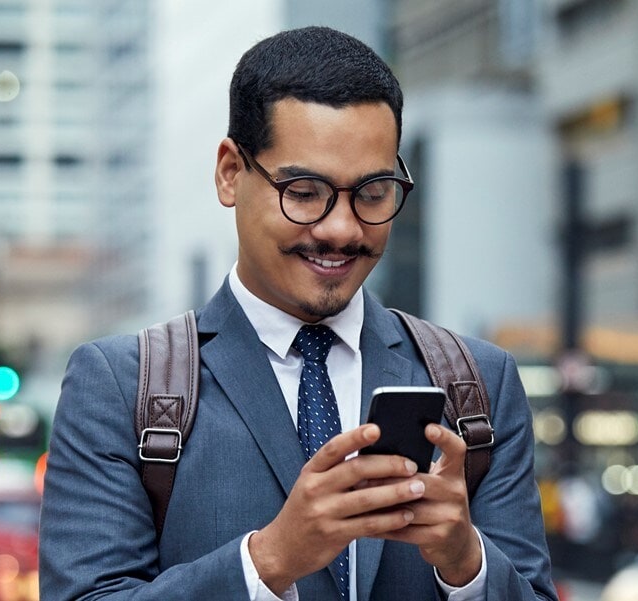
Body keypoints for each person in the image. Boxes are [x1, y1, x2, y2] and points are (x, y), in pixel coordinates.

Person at [38, 26, 557, 600]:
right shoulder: (120, 385)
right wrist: (269, 561)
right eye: (305, 191)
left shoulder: (479, 383)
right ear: (231, 172)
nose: (341, 229)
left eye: (373, 192)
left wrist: (466, 562)